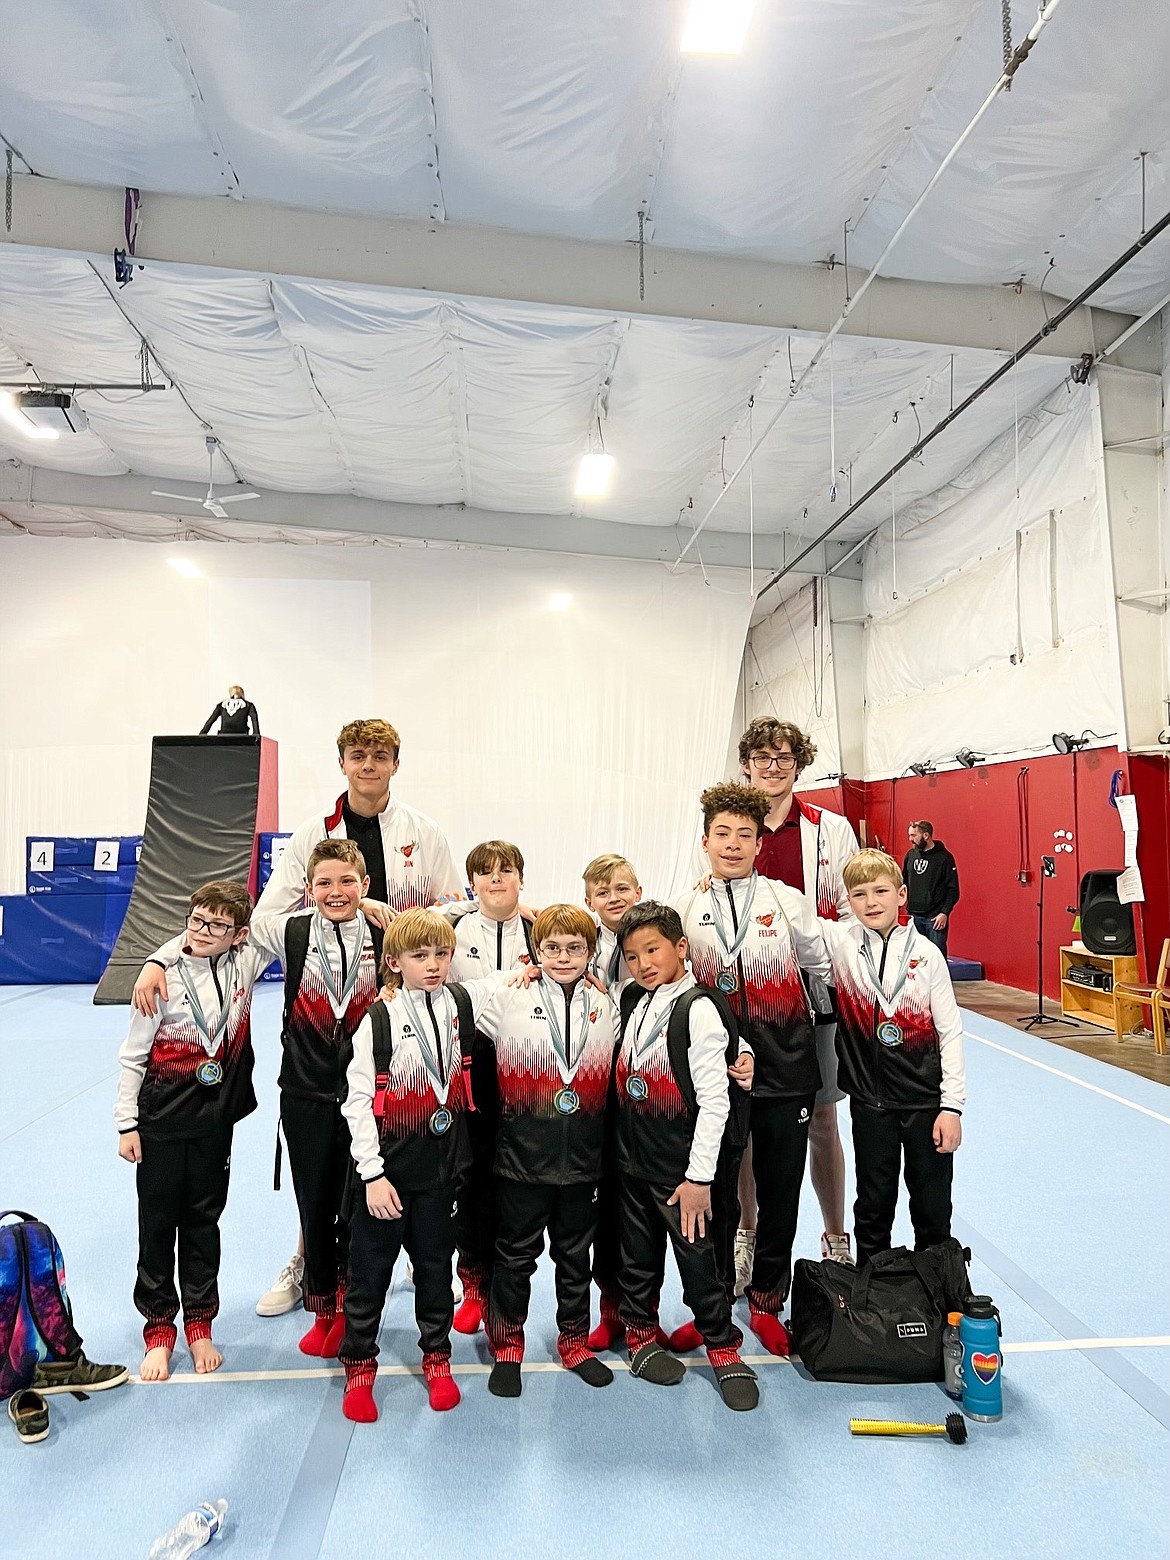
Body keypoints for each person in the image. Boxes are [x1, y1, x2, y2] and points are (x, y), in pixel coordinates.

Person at [337, 909, 525, 1422]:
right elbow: (356, 1103)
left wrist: (530, 950)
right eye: (420, 956)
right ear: (393, 962)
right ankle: (359, 1366)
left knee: (436, 1273)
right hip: (387, 1178)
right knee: (369, 1276)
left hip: (441, 1177)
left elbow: (508, 978)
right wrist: (372, 1175)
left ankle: (436, 1358)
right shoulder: (377, 1021)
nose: (434, 964)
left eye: (442, 954)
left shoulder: (462, 1002)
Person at [676, 783, 832, 1357]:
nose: (734, 844)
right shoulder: (688, 906)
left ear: (759, 844)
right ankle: (712, 1307)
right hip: (713, 1072)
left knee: (779, 1189)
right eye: (723, 834)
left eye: (746, 835)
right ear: (705, 842)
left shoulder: (786, 900)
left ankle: (768, 1300)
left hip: (785, 1067)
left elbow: (821, 964)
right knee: (716, 1191)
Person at [115, 880, 268, 1382]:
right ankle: (159, 1329)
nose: (201, 932)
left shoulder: (246, 962)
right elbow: (134, 1055)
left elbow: (286, 908)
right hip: (160, 1122)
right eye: (196, 920)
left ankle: (200, 1323)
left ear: (238, 934)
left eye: (217, 926)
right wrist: (126, 1124)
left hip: (213, 1125)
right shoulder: (159, 980)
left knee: (204, 1222)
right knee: (157, 1224)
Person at [612, 901, 759, 1412]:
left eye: (652, 950)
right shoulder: (634, 998)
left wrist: (699, 1179)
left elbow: (716, 1101)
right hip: (633, 1162)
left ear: (680, 948)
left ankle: (722, 1346)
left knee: (700, 1264)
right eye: (631, 955)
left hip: (681, 1173)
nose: (643, 963)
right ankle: (640, 1337)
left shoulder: (697, 1006)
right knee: (638, 1260)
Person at [732, 716, 860, 1291]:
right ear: (747, 764)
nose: (773, 765)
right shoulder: (731, 826)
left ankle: (836, 1239)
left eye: (784, 756)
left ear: (798, 762)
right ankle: (747, 1236)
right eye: (762, 755)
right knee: (748, 1124)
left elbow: (852, 909)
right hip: (748, 996)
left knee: (824, 1119)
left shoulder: (829, 829)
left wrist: (823, 965)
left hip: (815, 992)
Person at [476, 905, 618, 1397]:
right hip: (521, 1158)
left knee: (575, 1257)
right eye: (552, 947)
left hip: (584, 1162)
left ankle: (574, 1341)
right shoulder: (504, 996)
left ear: (590, 952)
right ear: (536, 951)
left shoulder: (609, 1004)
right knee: (515, 1258)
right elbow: (441, 989)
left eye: (575, 948)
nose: (563, 956)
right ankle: (508, 1346)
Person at [820, 850, 965, 1267]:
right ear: (848, 901)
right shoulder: (842, 946)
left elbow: (950, 1032)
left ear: (901, 895)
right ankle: (874, 1296)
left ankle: (939, 1292)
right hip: (870, 1104)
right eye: (860, 894)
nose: (871, 902)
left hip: (925, 1105)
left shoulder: (928, 955)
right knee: (872, 1205)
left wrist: (951, 1107)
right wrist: (716, 882)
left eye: (881, 891)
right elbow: (791, 917)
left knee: (932, 1206)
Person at [442, 840, 536, 1335]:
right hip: (469, 1064)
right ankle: (474, 1282)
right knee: (471, 1175)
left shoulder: (543, 931)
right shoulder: (453, 930)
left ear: (522, 878)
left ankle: (506, 1282)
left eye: (506, 871)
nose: (496, 879)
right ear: (471, 883)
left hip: (531, 1066)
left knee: (516, 1178)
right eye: (485, 873)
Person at [582, 853, 643, 996]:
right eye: (603, 893)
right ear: (589, 903)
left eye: (622, 889)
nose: (614, 899)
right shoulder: (584, 943)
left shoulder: (657, 939)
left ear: (638, 893)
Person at [903, 821, 960, 958]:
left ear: (926, 836)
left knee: (936, 957)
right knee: (915, 957)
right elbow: (903, 882)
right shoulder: (910, 855)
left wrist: (944, 912)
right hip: (913, 916)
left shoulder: (944, 858)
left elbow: (953, 889)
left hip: (934, 918)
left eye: (913, 835)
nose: (910, 839)